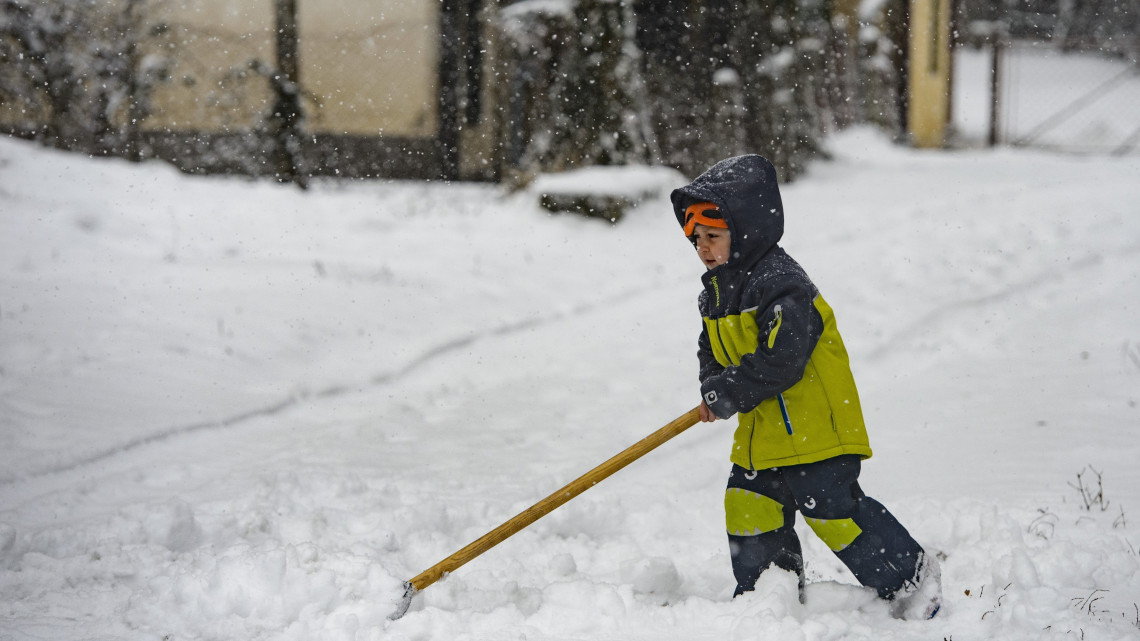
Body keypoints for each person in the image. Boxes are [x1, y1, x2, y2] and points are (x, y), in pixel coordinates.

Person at [671, 154, 942, 620]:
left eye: (714, 236)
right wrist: (713, 384)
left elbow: (783, 359)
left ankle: (911, 580)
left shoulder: (782, 285)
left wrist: (732, 390)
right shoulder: (715, 293)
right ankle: (767, 599)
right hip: (766, 433)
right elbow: (710, 348)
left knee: (832, 512)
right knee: (749, 504)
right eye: (697, 239)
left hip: (817, 429)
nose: (704, 248)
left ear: (747, 229)